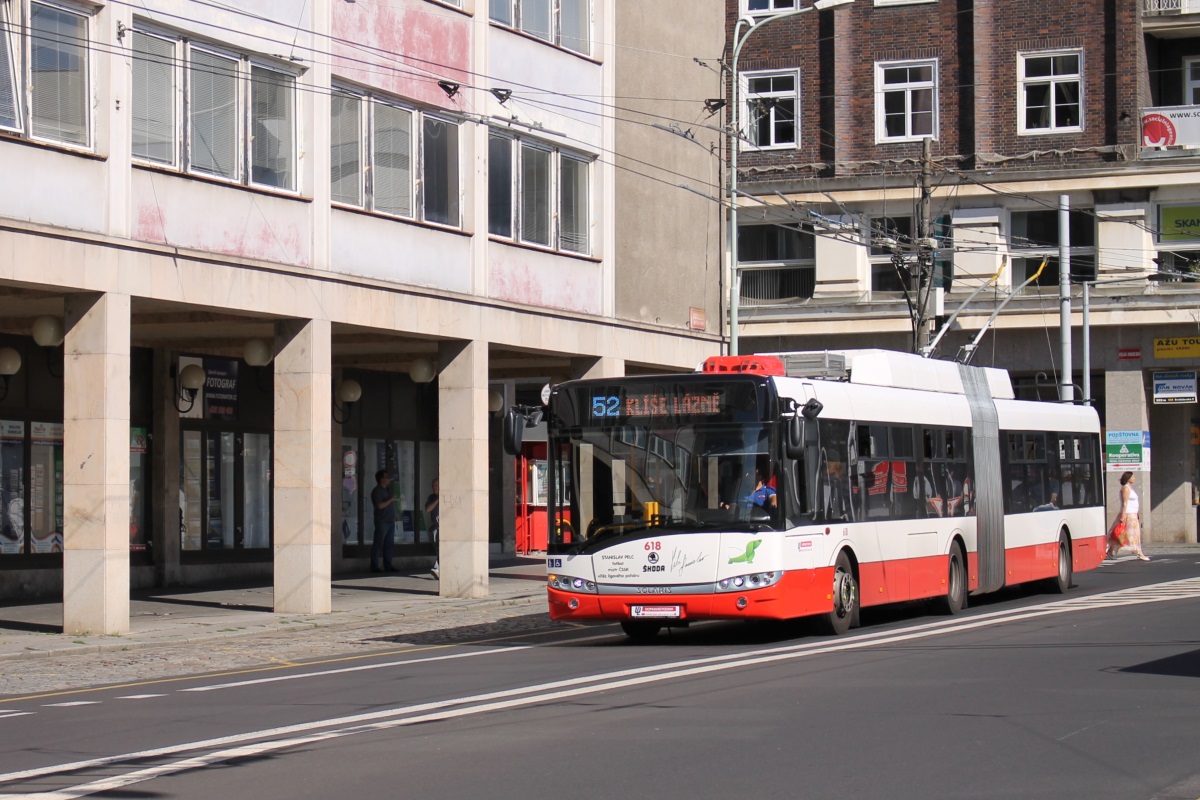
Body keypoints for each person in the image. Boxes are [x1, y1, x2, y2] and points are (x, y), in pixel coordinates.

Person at [1109, 471, 1148, 561]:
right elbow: (1125, 503)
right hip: (1128, 514)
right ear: (1128, 478)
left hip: (1133, 514)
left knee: (1125, 535)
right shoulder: (1125, 488)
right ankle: (1139, 552)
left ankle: (1111, 550)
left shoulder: (1130, 488)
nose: (1134, 478)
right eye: (1132, 477)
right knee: (1129, 534)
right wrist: (1123, 515)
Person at [370, 469, 398, 572]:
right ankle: (374, 566)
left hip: (390, 520)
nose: (389, 479)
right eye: (386, 477)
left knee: (389, 544)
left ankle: (388, 565)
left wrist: (394, 514)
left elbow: (389, 505)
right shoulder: (376, 491)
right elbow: (380, 505)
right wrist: (390, 499)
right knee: (378, 543)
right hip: (382, 522)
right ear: (381, 479)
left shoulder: (387, 490)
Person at [425, 478, 440, 579]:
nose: (434, 488)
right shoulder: (431, 497)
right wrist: (437, 500)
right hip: (436, 527)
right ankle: (438, 569)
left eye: (436, 485)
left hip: (445, 527)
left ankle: (437, 568)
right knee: (438, 548)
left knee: (441, 549)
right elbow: (428, 509)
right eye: (433, 486)